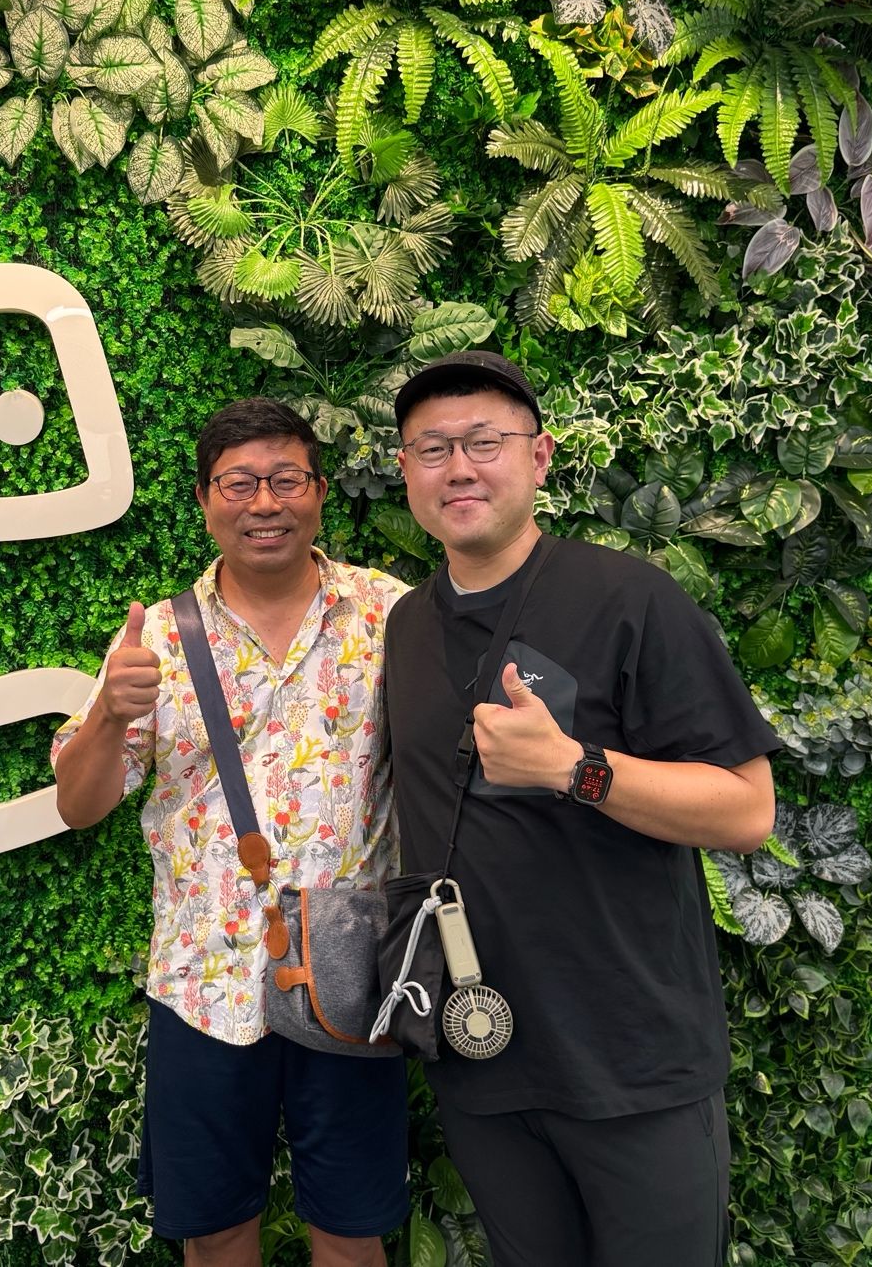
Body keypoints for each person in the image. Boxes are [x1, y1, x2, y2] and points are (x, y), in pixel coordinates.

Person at [380, 351, 780, 1267]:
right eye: (432, 449)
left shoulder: (629, 598)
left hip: (633, 1063)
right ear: (406, 471)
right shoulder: (406, 625)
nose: (459, 468)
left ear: (540, 456)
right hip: (480, 1051)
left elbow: (746, 809)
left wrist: (575, 768)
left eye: (485, 442)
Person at [52, 397, 409, 1267]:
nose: (265, 503)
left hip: (350, 978)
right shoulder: (156, 640)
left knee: (354, 1233)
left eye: (286, 479)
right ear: (206, 500)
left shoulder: (389, 614)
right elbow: (79, 806)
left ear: (319, 490)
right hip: (203, 981)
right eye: (239, 484)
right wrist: (109, 715)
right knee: (212, 1234)